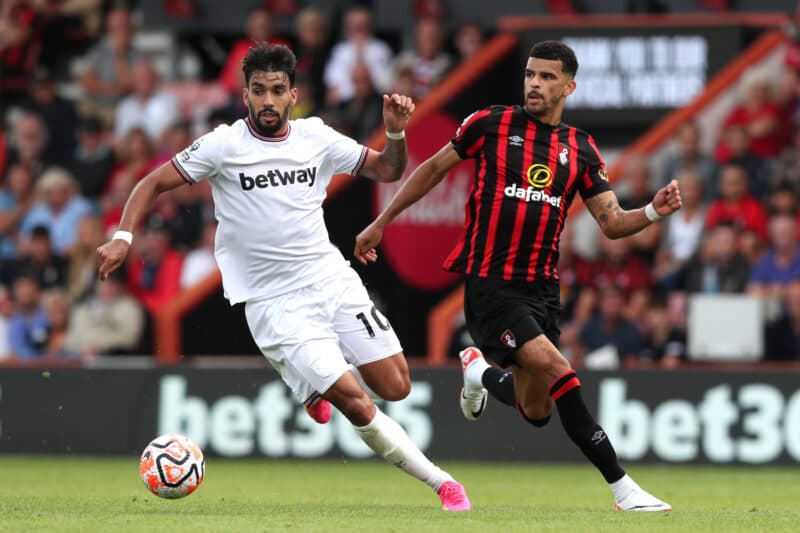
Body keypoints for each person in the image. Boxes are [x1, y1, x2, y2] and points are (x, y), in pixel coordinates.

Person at [96, 43, 471, 512]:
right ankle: (442, 484)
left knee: (397, 386)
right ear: (246, 94)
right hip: (274, 302)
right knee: (354, 401)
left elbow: (388, 169)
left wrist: (395, 134)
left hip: (331, 278)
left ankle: (309, 384)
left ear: (293, 94)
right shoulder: (223, 144)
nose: (268, 101)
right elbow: (151, 182)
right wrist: (124, 238)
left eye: (277, 90)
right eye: (258, 91)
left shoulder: (316, 137)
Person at [355, 40, 679, 512]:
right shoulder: (490, 124)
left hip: (542, 290)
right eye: (530, 75)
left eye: (547, 77)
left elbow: (611, 223)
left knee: (538, 409)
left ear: (568, 86)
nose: (534, 84)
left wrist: (651, 210)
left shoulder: (581, 149)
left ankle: (480, 373)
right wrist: (381, 222)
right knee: (559, 369)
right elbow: (431, 170)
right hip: (493, 286)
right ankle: (622, 487)